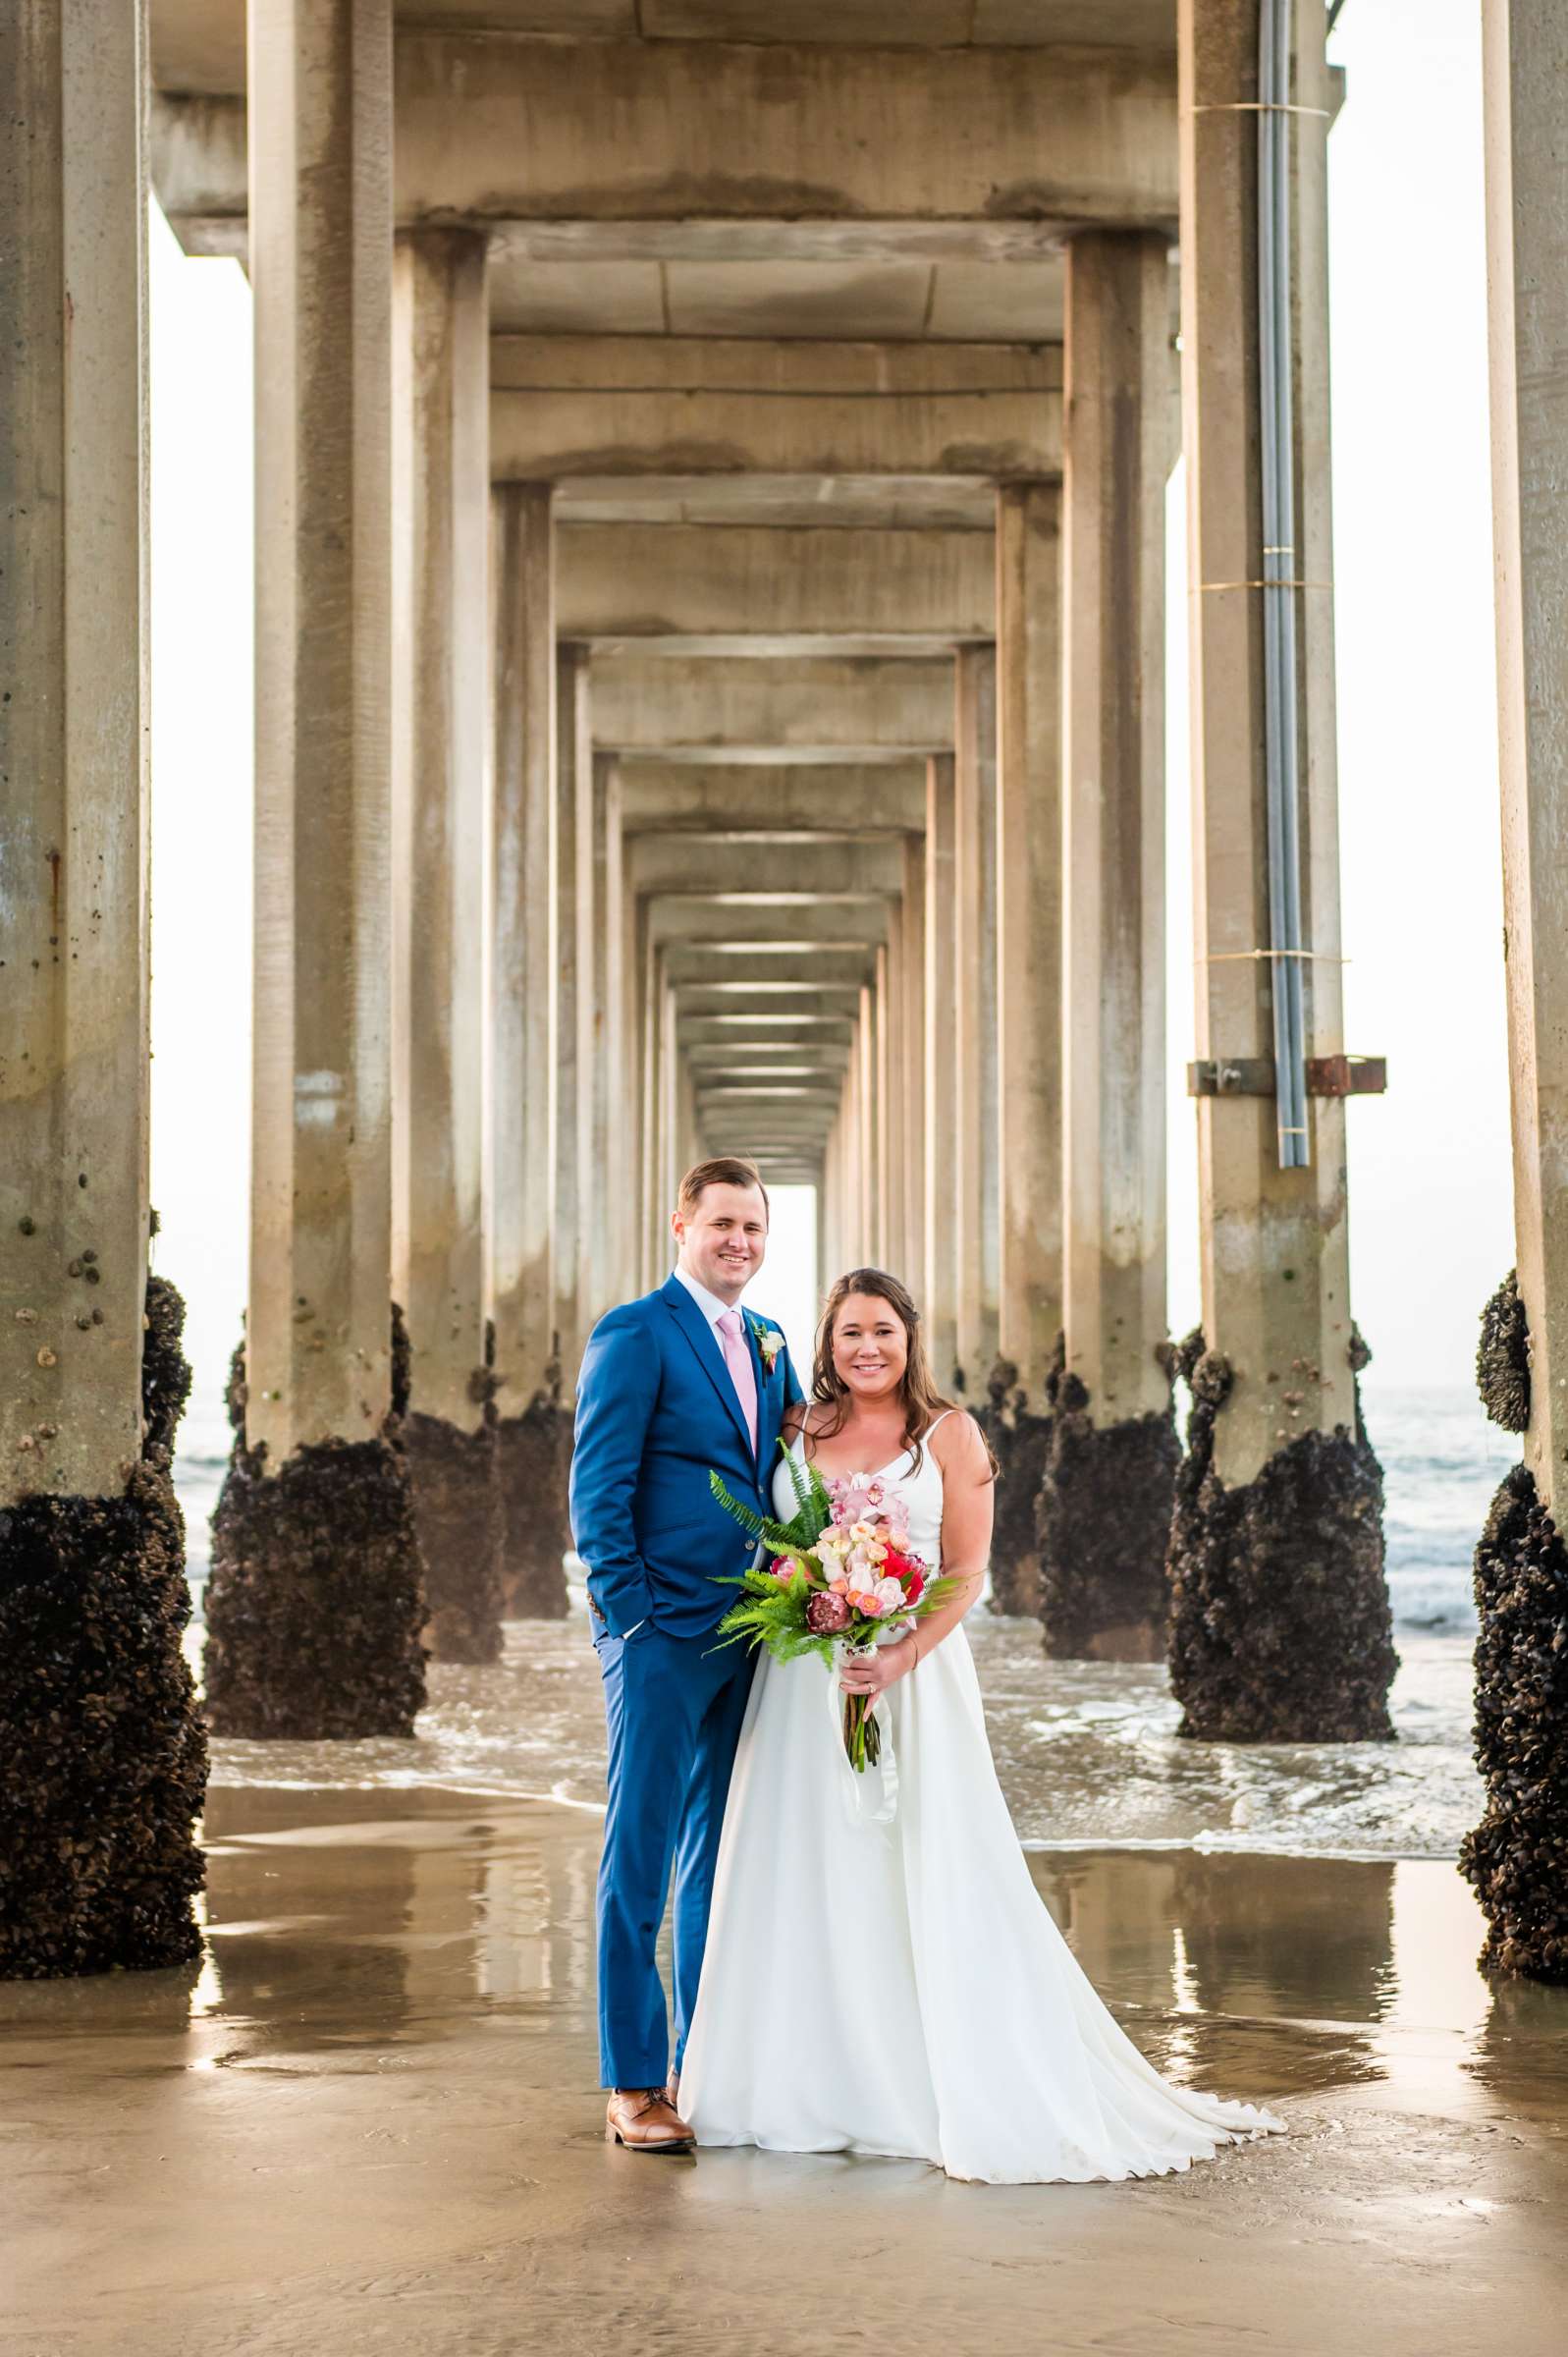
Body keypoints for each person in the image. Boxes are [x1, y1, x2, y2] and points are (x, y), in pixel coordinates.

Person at [678, 1266, 1285, 2184]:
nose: (867, 1348)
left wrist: (895, 1657)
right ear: (826, 1343)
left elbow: (965, 1570)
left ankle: (931, 2079)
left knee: (924, 1858)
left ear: (909, 1338)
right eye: (849, 1333)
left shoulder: (949, 1434)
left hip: (915, 1680)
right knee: (802, 1859)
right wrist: (813, 1602)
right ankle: (800, 2084)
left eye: (882, 1330)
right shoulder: (797, 1428)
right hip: (805, 1674)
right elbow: (773, 1546)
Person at [569, 1157, 805, 2155]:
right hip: (660, 1634)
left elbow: (794, 1465)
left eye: (752, 1228)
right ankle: (631, 2083)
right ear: (680, 1225)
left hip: (749, 1633)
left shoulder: (769, 1340)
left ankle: (702, 2062)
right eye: (721, 1225)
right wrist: (630, 1617)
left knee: (719, 1854)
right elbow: (598, 1485)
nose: (738, 1243)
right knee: (641, 1857)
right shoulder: (635, 1332)